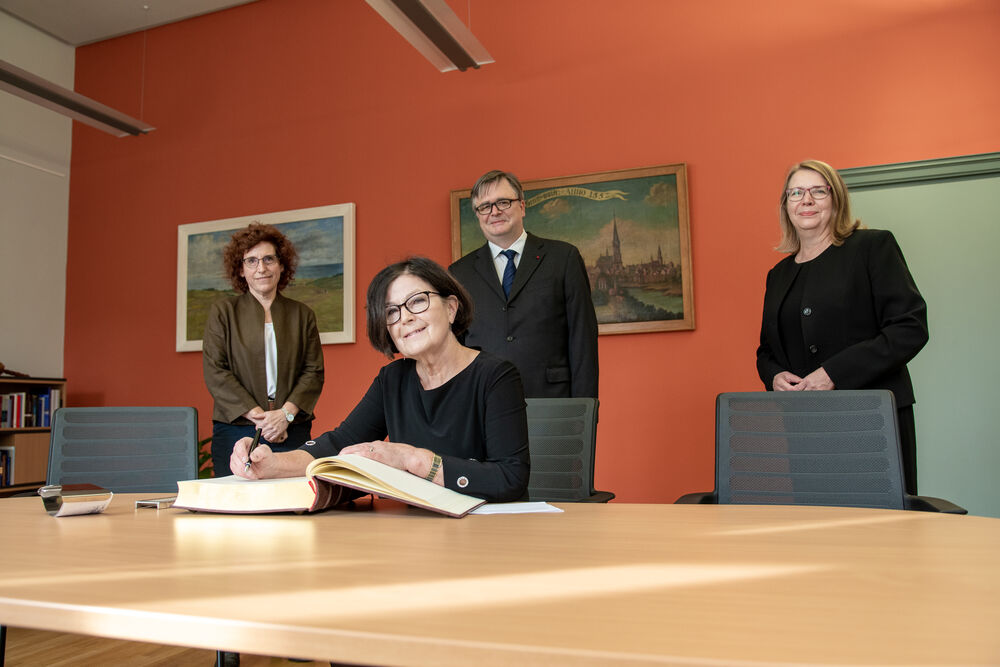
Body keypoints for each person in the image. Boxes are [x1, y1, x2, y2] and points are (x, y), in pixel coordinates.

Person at [231, 257, 530, 503]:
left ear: (451, 308)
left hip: (486, 532)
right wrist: (272, 464)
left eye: (417, 302)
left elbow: (510, 478)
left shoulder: (495, 375)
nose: (405, 318)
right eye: (391, 312)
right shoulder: (393, 379)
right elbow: (339, 443)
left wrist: (411, 459)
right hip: (416, 533)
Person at [756, 159, 928, 493]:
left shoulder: (872, 248)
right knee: (816, 527)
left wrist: (834, 373)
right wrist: (774, 375)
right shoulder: (778, 275)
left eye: (818, 191)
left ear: (837, 200)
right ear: (786, 206)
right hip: (805, 427)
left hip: (871, 420)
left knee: (879, 531)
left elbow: (909, 327)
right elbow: (766, 350)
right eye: (796, 193)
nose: (806, 200)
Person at [449, 169, 599, 398]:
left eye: (503, 202)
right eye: (485, 206)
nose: (495, 211)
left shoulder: (563, 258)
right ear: (478, 214)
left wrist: (584, 411)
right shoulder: (459, 273)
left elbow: (583, 341)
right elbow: (453, 349)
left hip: (553, 401)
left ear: (522, 206)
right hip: (483, 402)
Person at [203, 222, 324, 478]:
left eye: (269, 259)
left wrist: (284, 416)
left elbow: (313, 372)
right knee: (236, 510)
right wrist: (262, 419)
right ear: (241, 269)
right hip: (236, 428)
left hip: (292, 428)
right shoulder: (224, 313)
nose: (262, 268)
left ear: (281, 265)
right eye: (252, 261)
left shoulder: (302, 315)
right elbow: (216, 371)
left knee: (293, 507)